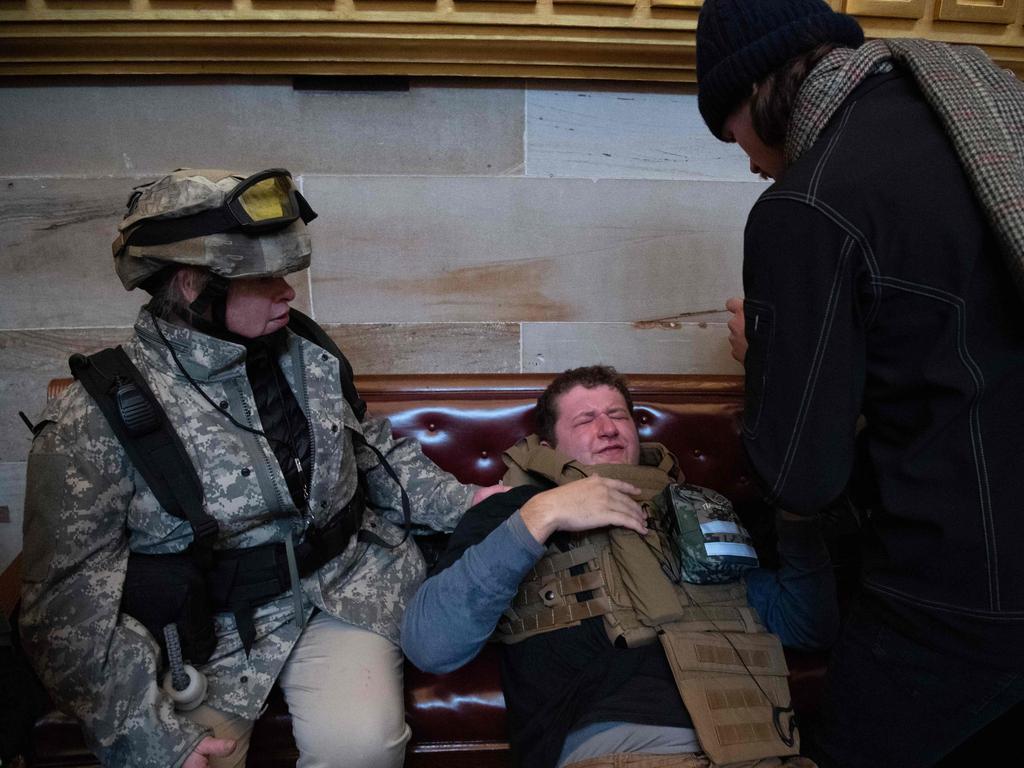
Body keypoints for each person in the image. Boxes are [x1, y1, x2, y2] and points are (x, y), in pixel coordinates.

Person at [18, 168, 502, 768]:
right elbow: (65, 604)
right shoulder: (97, 415)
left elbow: (374, 452)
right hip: (205, 636)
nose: (288, 293)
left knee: (362, 753)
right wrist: (148, 736)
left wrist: (471, 504)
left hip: (344, 589)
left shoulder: (310, 353)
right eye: (265, 278)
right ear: (194, 286)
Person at [695, 1, 1024, 765]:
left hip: (954, 600)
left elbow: (801, 477)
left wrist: (763, 358)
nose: (744, 159)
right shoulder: (981, 111)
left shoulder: (807, 204)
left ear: (755, 91)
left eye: (728, 132)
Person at [402, 365, 838, 768]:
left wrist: (798, 518)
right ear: (550, 447)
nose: (608, 428)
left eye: (618, 415)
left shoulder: (699, 509)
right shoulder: (514, 512)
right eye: (585, 419)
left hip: (763, 743)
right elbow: (430, 644)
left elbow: (805, 625)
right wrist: (542, 515)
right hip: (626, 748)